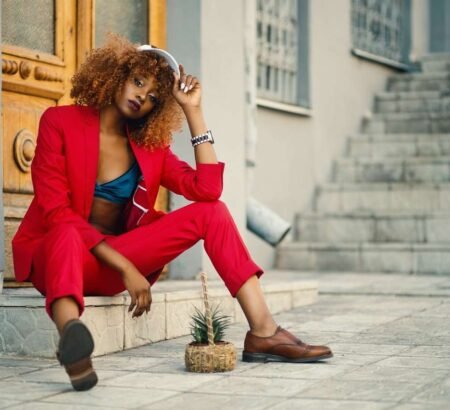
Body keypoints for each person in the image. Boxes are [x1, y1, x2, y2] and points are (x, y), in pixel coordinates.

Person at [12, 34, 332, 391]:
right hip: (61, 256)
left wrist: (194, 112)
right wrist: (127, 268)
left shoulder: (151, 148)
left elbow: (207, 190)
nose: (142, 97)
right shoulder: (59, 121)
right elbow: (56, 212)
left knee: (213, 212)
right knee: (67, 231)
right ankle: (73, 342)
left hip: (111, 262)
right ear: (118, 74)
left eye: (153, 97)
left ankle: (264, 331)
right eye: (138, 82)